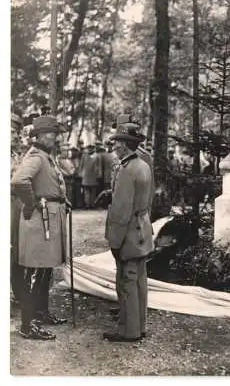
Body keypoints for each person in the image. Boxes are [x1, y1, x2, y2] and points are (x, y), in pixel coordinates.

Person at [11, 115, 69, 340]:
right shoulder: (36, 157)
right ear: (39, 136)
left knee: (44, 269)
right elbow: (18, 181)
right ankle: (28, 324)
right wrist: (32, 202)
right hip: (38, 221)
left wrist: (62, 199)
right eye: (51, 134)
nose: (55, 138)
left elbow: (50, 184)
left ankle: (41, 312)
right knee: (33, 271)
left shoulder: (46, 156)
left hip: (47, 218)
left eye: (55, 134)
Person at [103, 114, 154, 343]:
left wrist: (114, 241)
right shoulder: (143, 165)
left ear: (124, 145)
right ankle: (139, 326)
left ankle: (128, 331)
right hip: (142, 229)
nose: (114, 146)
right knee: (139, 281)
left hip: (129, 234)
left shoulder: (127, 170)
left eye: (116, 142)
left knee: (126, 281)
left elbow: (121, 212)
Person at [11, 112, 24, 305]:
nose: (16, 136)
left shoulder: (16, 155)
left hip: (15, 206)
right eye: (12, 131)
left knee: (15, 249)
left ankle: (18, 292)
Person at [79, 144, 99, 209]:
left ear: (93, 148)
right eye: (89, 148)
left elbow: (98, 166)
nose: (90, 149)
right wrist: (80, 173)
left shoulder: (96, 156)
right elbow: (81, 165)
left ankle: (92, 204)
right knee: (86, 192)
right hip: (86, 176)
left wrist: (98, 175)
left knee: (93, 191)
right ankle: (87, 204)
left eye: (91, 148)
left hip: (93, 176)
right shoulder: (84, 156)